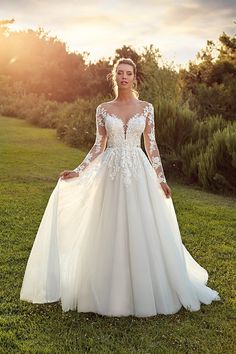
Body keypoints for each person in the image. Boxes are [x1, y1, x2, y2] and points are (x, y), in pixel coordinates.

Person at [20, 57, 220, 316]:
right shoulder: (103, 109)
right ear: (114, 77)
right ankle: (106, 289)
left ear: (134, 78)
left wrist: (161, 178)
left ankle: (147, 287)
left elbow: (151, 144)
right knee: (108, 227)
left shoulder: (147, 108)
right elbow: (98, 145)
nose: (124, 77)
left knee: (142, 226)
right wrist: (78, 170)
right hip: (110, 172)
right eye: (120, 73)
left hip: (139, 171)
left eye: (128, 73)